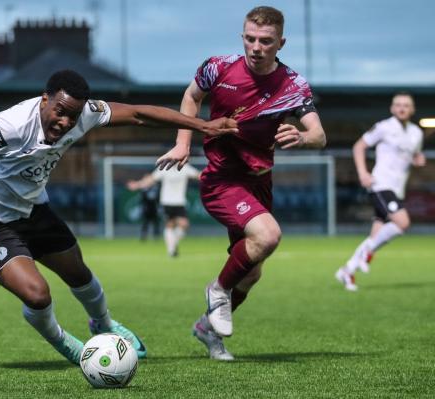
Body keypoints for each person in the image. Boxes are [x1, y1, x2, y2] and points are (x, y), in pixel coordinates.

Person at [0, 69, 237, 365]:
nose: (64, 122)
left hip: (35, 209)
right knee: (37, 296)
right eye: (59, 112)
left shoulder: (86, 112)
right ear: (45, 100)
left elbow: (139, 114)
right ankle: (69, 345)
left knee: (79, 274)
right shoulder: (11, 125)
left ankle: (103, 323)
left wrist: (202, 126)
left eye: (72, 118)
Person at [156, 6, 326, 361]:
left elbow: (319, 135)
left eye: (265, 41)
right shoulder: (218, 67)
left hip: (259, 182)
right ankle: (217, 291)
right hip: (221, 179)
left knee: (252, 274)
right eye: (250, 38)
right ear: (242, 37)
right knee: (268, 236)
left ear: (281, 42)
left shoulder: (293, 86)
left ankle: (207, 328)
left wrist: (303, 137)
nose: (256, 47)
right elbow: (191, 97)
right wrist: (184, 142)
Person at [335, 93, 425, 291]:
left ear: (412, 110)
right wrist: (362, 173)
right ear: (392, 108)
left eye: (406, 105)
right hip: (381, 185)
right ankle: (365, 254)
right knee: (403, 223)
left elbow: (415, 155)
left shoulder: (416, 133)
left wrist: (418, 160)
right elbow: (359, 146)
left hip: (397, 189)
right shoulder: (384, 127)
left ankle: (347, 271)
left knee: (376, 234)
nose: (402, 108)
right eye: (398, 105)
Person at [127, 164, 201, 257]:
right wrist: (137, 185)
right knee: (170, 225)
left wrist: (215, 175)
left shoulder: (185, 168)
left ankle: (172, 244)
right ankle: (171, 251)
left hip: (180, 202)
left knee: (184, 224)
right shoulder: (165, 168)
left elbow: (198, 175)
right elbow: (151, 179)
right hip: (167, 202)